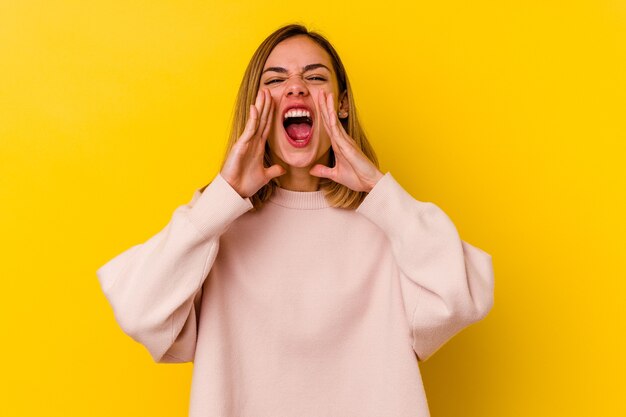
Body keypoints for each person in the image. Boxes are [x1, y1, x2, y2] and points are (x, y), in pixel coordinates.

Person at [97, 24, 495, 417]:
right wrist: (222, 197)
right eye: (276, 79)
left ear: (341, 105)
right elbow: (139, 311)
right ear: (256, 108)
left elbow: (461, 298)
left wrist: (380, 192)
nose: (296, 87)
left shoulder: (389, 226)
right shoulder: (215, 229)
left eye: (315, 76)